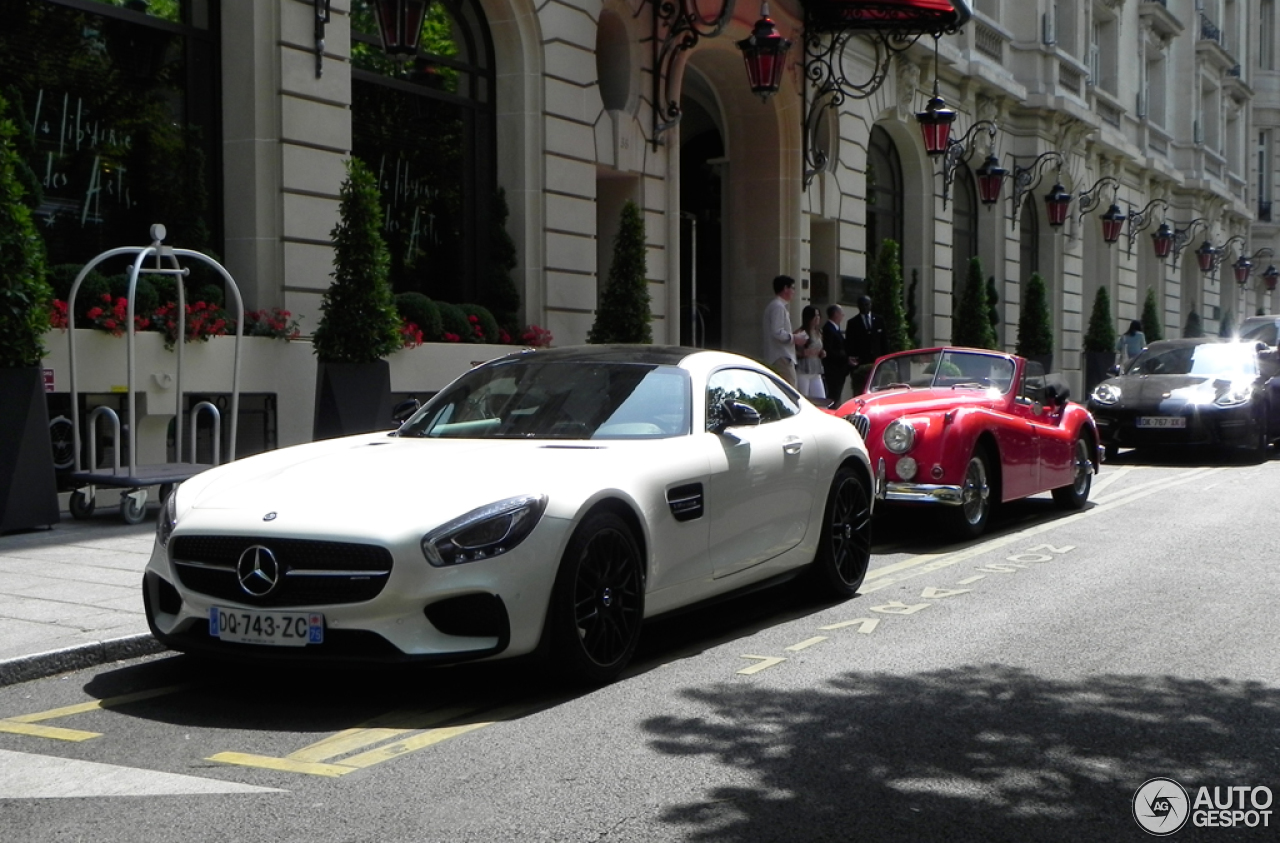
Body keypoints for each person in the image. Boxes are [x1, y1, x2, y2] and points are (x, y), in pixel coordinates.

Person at [761, 275, 806, 386]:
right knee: (790, 389)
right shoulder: (778, 307)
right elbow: (777, 332)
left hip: (779, 356)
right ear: (785, 288)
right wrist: (795, 338)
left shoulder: (776, 306)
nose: (794, 292)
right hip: (781, 356)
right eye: (793, 288)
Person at [844, 295, 888, 393]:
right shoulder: (852, 323)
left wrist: (885, 360)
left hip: (877, 362)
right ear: (858, 306)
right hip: (861, 364)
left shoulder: (879, 320)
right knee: (861, 389)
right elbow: (850, 344)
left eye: (867, 304)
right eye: (862, 305)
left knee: (877, 388)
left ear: (871, 305)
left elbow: (884, 342)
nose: (865, 307)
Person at [796, 305, 827, 404]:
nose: (817, 318)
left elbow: (820, 348)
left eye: (818, 315)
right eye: (815, 316)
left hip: (816, 369)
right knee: (803, 398)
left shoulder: (819, 332)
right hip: (803, 370)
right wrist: (803, 353)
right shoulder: (801, 332)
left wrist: (822, 352)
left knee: (821, 398)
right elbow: (793, 351)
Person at [821, 304, 850, 405]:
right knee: (834, 396)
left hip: (839, 369)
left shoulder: (835, 329)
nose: (843, 316)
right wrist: (845, 358)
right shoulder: (828, 329)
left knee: (837, 395)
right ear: (835, 314)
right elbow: (830, 350)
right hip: (833, 370)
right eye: (841, 313)